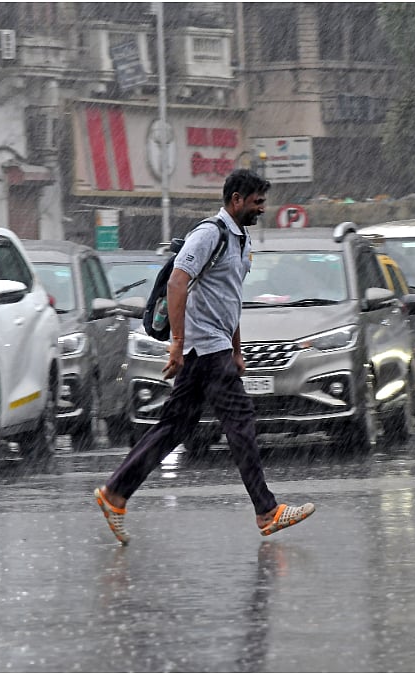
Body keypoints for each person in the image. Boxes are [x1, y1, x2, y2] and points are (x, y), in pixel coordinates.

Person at [94, 169, 315, 545]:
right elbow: (178, 280)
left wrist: (238, 348)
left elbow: (229, 298)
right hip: (203, 347)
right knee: (240, 422)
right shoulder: (209, 233)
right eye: (257, 202)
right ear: (235, 200)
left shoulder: (240, 240)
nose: (262, 209)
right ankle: (266, 510)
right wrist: (177, 343)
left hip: (214, 348)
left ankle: (115, 493)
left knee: (175, 427)